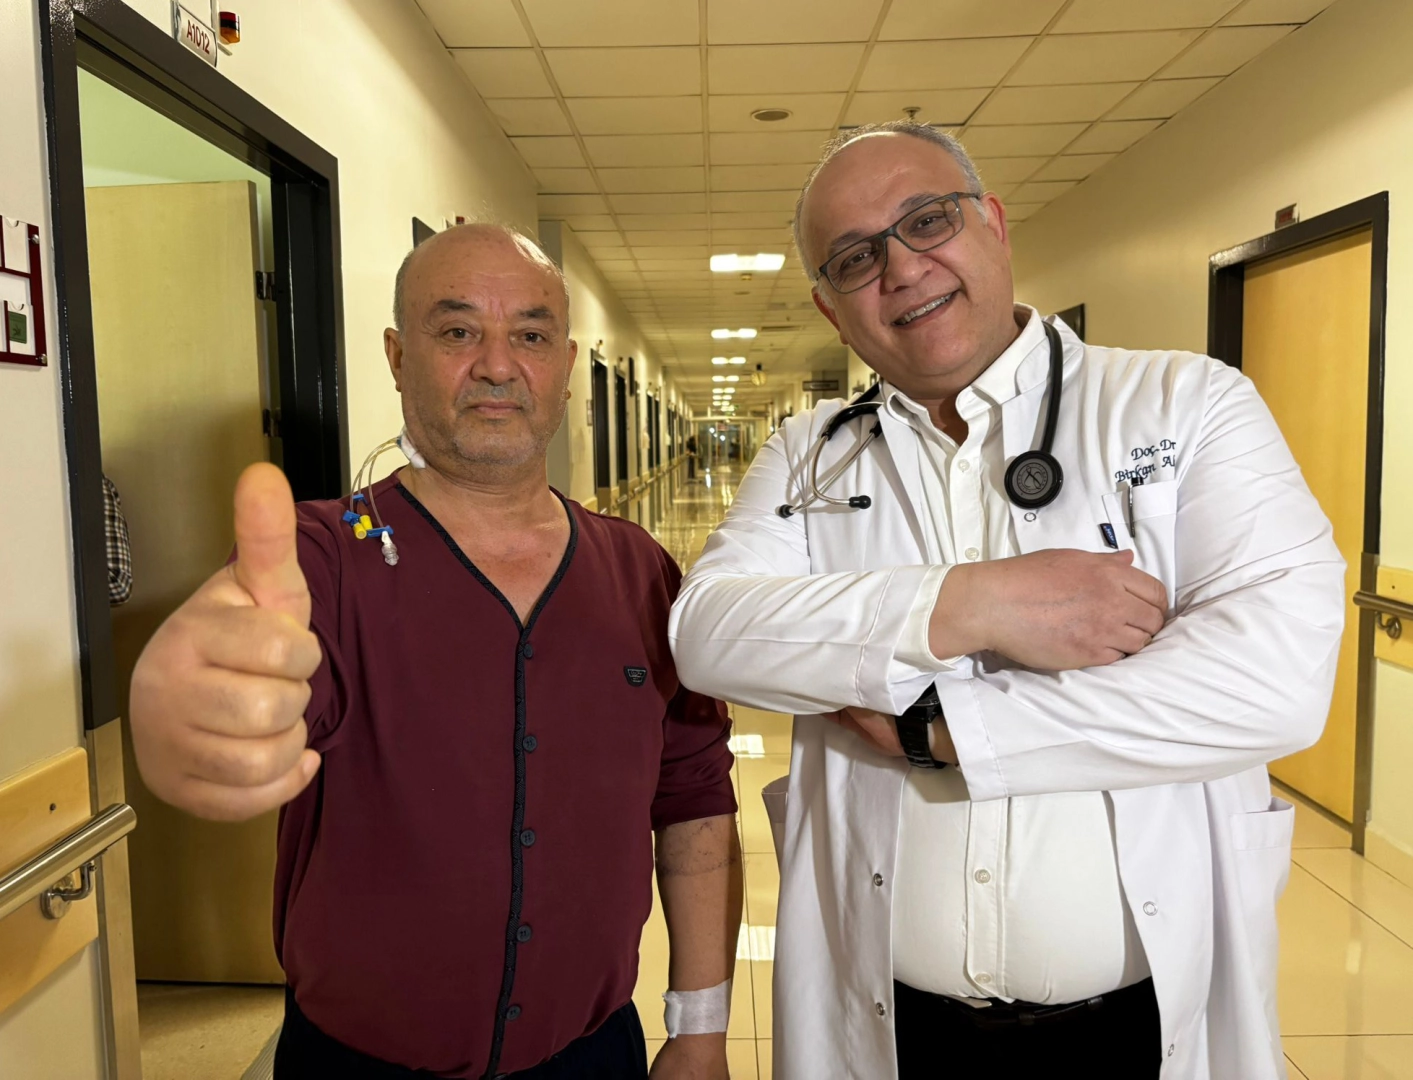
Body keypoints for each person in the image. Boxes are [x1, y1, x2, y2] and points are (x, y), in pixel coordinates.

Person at [667, 121, 1345, 1080]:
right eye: (854, 258)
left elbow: (1271, 686)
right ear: (830, 308)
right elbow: (710, 635)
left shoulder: (1186, 404)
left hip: (1136, 1021)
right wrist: (975, 604)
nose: (901, 268)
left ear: (990, 222)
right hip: (896, 1026)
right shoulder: (809, 452)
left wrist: (942, 732)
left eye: (926, 220)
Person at [129, 224, 741, 1080]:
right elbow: (253, 673)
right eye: (457, 331)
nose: (497, 366)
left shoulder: (638, 570)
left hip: (591, 1055)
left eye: (530, 336)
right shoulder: (322, 559)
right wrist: (192, 715)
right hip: (355, 1066)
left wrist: (701, 1028)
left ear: (566, 365)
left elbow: (694, 802)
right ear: (396, 356)